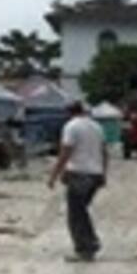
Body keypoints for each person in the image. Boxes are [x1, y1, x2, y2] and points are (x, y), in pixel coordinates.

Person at [48, 100, 108, 262]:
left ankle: (86, 248)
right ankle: (89, 244)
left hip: (78, 174)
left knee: (75, 214)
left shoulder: (71, 126)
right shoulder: (97, 127)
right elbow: (104, 152)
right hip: (95, 175)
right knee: (81, 211)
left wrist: (54, 175)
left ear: (69, 112)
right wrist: (103, 174)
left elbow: (65, 152)